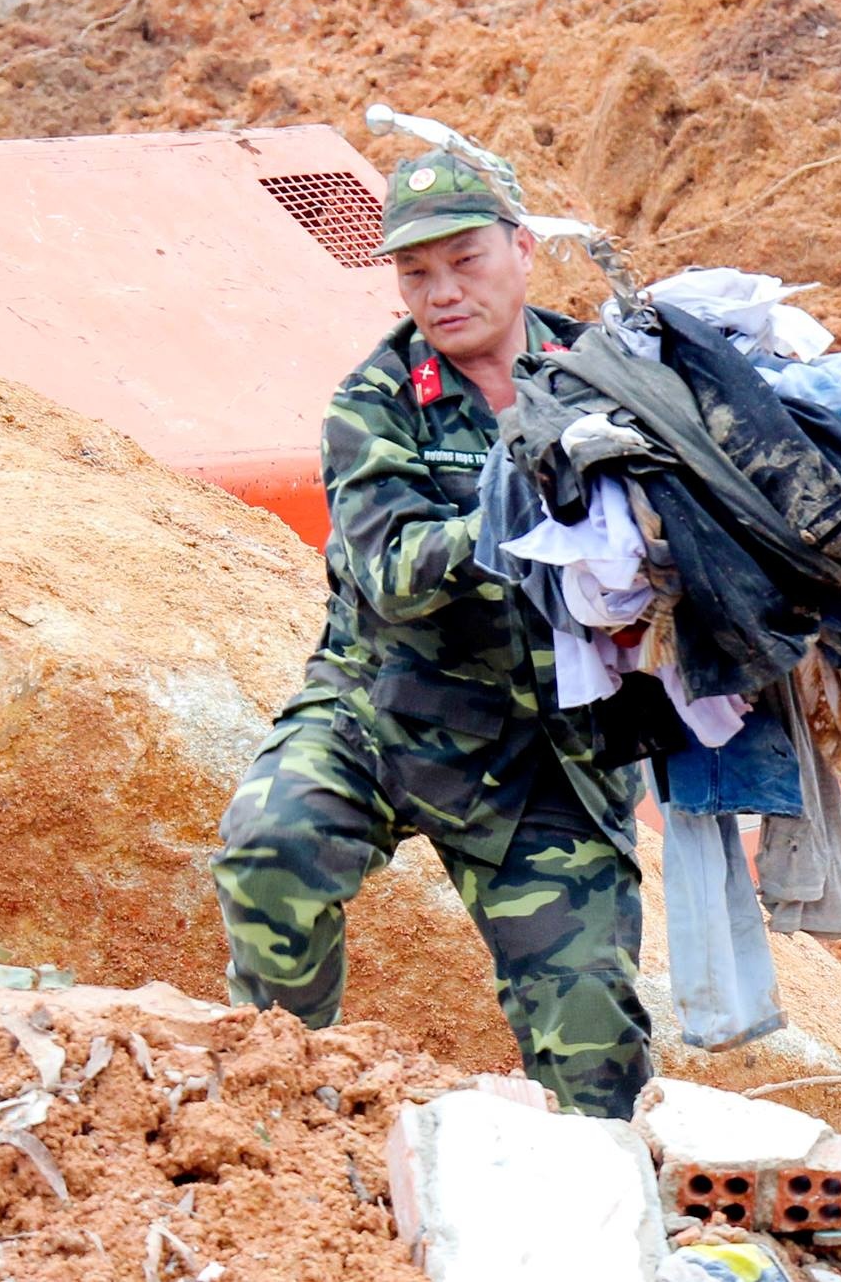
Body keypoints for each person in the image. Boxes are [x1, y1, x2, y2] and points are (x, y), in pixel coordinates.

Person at [210, 151, 653, 1117]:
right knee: (270, 846)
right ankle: (283, 1122)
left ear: (523, 250)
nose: (442, 293)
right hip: (383, 711)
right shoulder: (375, 402)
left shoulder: (606, 382)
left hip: (548, 751)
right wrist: (527, 506)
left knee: (594, 1041)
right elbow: (391, 572)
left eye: (465, 261)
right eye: (415, 274)